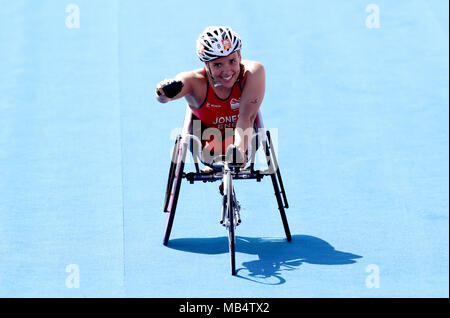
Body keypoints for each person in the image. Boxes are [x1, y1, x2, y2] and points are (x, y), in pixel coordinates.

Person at [155, 26, 265, 166]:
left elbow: (246, 117)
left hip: (243, 139)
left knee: (236, 141)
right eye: (218, 64)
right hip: (206, 142)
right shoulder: (194, 81)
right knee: (213, 145)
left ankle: (235, 151)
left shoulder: (252, 73)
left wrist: (238, 149)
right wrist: (164, 91)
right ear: (206, 64)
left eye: (232, 61)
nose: (226, 71)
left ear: (240, 56)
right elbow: (166, 96)